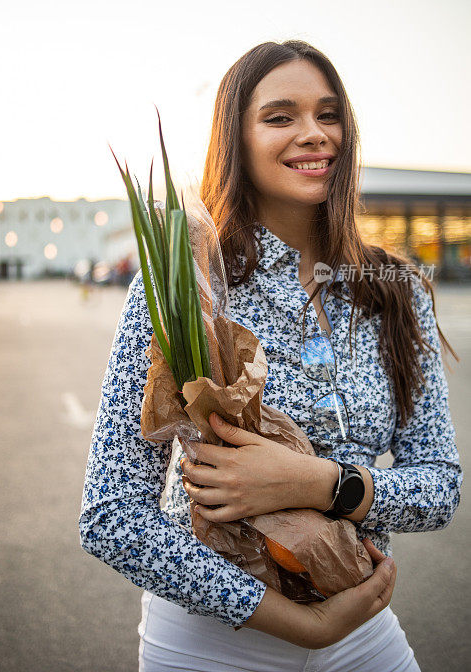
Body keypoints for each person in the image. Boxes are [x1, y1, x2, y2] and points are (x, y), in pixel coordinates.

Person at [79, 40, 462, 671]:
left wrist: (323, 484)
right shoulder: (190, 283)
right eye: (281, 116)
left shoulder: (395, 289)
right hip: (214, 639)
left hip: (361, 627)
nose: (314, 135)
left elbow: (440, 485)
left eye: (329, 114)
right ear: (236, 137)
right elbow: (111, 513)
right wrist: (300, 626)